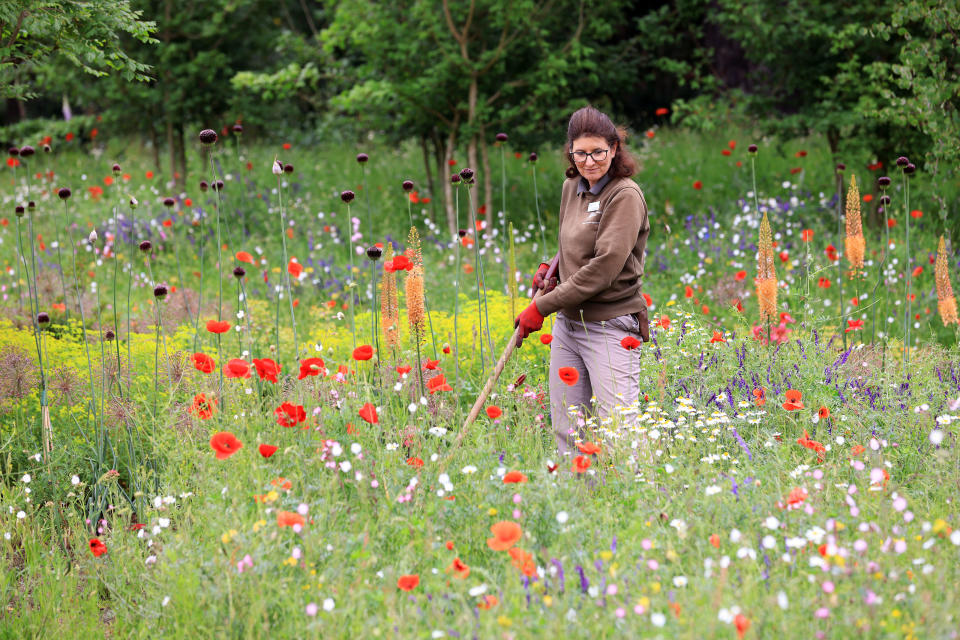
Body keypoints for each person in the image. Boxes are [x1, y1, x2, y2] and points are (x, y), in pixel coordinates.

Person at [514, 105, 651, 456]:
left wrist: (540, 306)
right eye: (580, 153)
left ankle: (630, 505)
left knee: (617, 429)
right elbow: (570, 242)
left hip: (610, 325)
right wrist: (552, 267)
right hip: (569, 325)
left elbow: (604, 267)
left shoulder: (624, 196)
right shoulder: (572, 186)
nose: (589, 161)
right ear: (570, 152)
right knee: (568, 430)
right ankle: (576, 507)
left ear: (615, 148)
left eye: (598, 152)